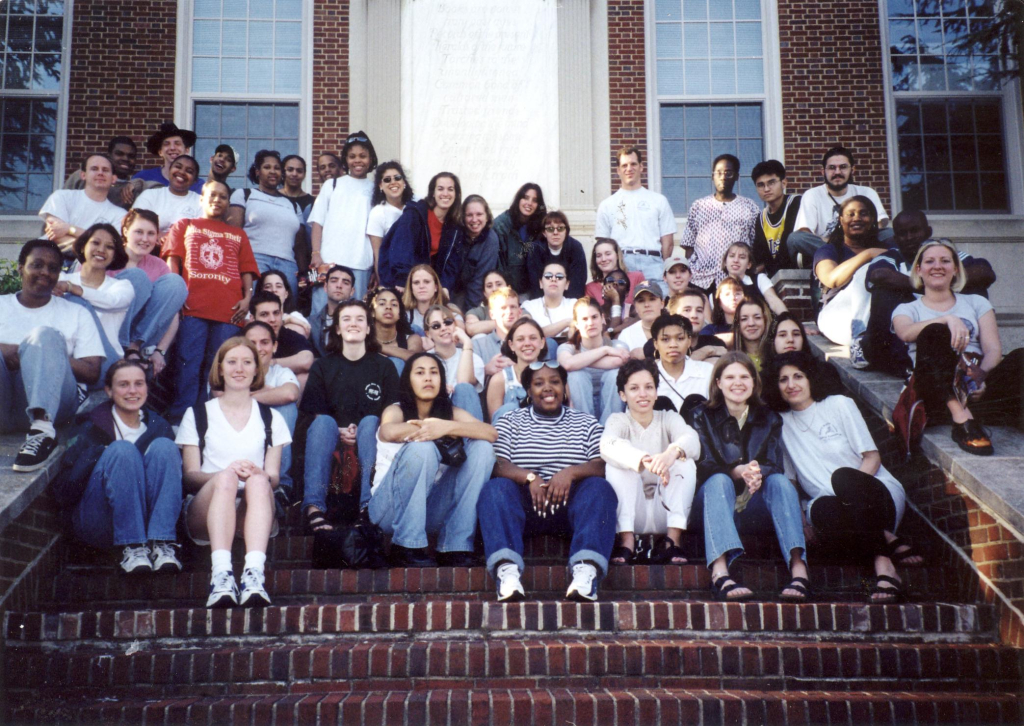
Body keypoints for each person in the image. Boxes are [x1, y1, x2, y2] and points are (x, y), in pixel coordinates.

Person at [770, 351, 917, 602]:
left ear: (810, 378)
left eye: (798, 376)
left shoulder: (839, 404)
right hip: (834, 511)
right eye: (783, 379)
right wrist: (802, 521)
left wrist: (850, 493)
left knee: (844, 480)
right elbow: (791, 480)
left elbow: (872, 458)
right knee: (820, 507)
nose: (791, 385)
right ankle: (886, 538)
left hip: (874, 494)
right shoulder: (780, 424)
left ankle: (885, 567)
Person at [477, 362, 617, 602]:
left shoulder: (586, 423)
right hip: (526, 508)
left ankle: (586, 572)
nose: (548, 388)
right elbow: (497, 464)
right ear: (528, 391)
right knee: (495, 489)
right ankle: (507, 573)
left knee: (600, 488)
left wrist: (570, 473)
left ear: (564, 387)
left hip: (570, 509)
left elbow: (602, 463)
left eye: (554, 381)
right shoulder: (511, 421)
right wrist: (529, 477)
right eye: (538, 383)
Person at [176, 337, 291, 608]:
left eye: (247, 362)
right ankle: (221, 575)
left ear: (255, 370)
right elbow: (190, 475)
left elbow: (274, 478)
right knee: (226, 478)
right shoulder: (197, 414)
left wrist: (255, 473)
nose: (239, 368)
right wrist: (224, 474)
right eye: (232, 362)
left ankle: (254, 575)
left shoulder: (272, 418)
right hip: (206, 508)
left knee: (260, 481)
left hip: (252, 509)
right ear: (221, 368)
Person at [689, 352, 807, 601]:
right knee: (718, 480)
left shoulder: (769, 418)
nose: (738, 382)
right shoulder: (702, 415)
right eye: (730, 377)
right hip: (712, 504)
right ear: (718, 382)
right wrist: (736, 471)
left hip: (752, 506)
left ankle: (799, 569)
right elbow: (703, 465)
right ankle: (720, 572)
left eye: (744, 376)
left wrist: (757, 473)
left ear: (754, 382)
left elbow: (774, 465)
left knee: (780, 482)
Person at [893, 240, 1024, 454]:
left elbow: (993, 350)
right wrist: (947, 319)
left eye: (945, 261)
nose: (937, 266)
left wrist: (978, 378)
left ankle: (979, 411)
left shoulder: (976, 302)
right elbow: (905, 332)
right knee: (935, 333)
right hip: (937, 393)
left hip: (977, 387)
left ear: (955, 269)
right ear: (919, 270)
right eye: (929, 261)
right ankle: (963, 420)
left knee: (1020, 356)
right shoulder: (907, 308)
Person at [55, 359, 183, 574]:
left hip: (149, 521)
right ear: (109, 390)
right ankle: (133, 546)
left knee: (165, 447)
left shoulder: (159, 427)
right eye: (123, 384)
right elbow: (64, 490)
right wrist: (101, 459)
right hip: (100, 518)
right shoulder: (90, 426)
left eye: (139, 384)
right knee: (122, 450)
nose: (132, 391)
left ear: (147, 388)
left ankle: (161, 544)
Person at [370, 352, 497, 567]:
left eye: (434, 372)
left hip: (429, 510)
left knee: (483, 449)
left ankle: (454, 546)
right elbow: (388, 431)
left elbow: (490, 433)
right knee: (424, 448)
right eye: (420, 373)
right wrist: (429, 429)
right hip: (388, 511)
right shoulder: (396, 409)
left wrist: (446, 426)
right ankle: (405, 546)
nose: (428, 378)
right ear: (408, 381)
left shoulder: (450, 412)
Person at [1, 240, 104, 471]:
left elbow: (93, 372)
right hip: (4, 402)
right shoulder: (2, 306)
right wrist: (13, 350)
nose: (45, 273)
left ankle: (42, 432)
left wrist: (44, 354)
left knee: (44, 336)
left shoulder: (76, 313)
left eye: (53, 268)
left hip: (56, 406)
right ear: (20, 268)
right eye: (36, 265)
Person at [162, 180, 259, 422]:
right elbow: (172, 261)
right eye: (212, 195)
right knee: (188, 363)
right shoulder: (185, 225)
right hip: (192, 305)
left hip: (229, 310)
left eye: (223, 197)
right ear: (201, 199)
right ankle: (181, 420)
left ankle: (212, 421)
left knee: (218, 368)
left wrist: (247, 298)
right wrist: (176, 294)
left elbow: (246, 269)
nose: (217, 200)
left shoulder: (238, 234)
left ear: (228, 203)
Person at [300, 300, 399, 531]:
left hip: (371, 443)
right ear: (337, 328)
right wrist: (339, 430)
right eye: (346, 319)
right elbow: (312, 415)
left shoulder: (384, 367)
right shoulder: (322, 366)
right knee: (323, 422)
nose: (353, 324)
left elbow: (393, 412)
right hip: (331, 443)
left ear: (367, 328)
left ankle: (368, 507)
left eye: (359, 319)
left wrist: (365, 430)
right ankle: (314, 507)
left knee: (371, 422)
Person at [863, 210, 995, 374]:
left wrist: (940, 280)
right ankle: (901, 362)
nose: (909, 237)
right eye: (903, 234)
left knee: (977, 287)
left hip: (954, 333)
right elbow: (879, 275)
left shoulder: (944, 253)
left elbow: (985, 272)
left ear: (928, 232)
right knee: (883, 292)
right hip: (908, 335)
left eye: (915, 230)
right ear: (895, 239)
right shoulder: (892, 256)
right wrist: (932, 283)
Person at [601, 359, 700, 565]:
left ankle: (672, 542)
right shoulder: (618, 420)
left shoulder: (668, 418)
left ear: (656, 392)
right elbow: (607, 445)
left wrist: (670, 454)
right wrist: (643, 460)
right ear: (622, 395)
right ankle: (627, 542)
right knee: (617, 463)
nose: (643, 394)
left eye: (649, 387)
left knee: (684, 461)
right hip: (631, 512)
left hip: (664, 508)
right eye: (634, 388)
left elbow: (691, 439)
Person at [113, 210, 188, 375]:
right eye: (139, 232)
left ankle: (133, 347)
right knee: (137, 278)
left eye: (151, 233)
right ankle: (123, 346)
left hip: (142, 338)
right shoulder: (110, 257)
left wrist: (160, 351)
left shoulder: (159, 265)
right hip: (109, 329)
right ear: (125, 231)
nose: (145, 239)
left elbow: (172, 312)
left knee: (176, 283)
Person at [789, 146, 893, 263]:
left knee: (890, 233)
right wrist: (836, 242)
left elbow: (879, 224)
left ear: (852, 170)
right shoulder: (812, 194)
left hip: (862, 243)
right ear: (823, 171)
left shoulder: (867, 192)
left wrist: (855, 241)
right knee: (795, 238)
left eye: (843, 167)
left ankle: (847, 257)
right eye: (832, 168)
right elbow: (804, 231)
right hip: (829, 247)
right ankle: (855, 258)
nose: (837, 172)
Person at [813, 196, 893, 348]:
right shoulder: (828, 250)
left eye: (863, 214)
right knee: (866, 271)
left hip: (878, 316)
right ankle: (859, 341)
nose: (857, 218)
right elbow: (831, 279)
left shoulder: (885, 249)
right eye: (851, 214)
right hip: (838, 318)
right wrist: (868, 255)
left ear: (872, 220)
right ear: (841, 220)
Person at [309, 132, 378, 303]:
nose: (357, 160)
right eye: (352, 156)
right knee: (322, 314)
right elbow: (318, 222)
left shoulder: (376, 189)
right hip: (328, 262)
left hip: (361, 263)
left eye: (363, 156)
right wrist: (316, 253)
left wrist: (377, 268)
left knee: (355, 315)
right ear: (345, 160)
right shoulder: (331, 185)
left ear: (371, 159)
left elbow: (377, 232)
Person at [55, 224, 134, 369]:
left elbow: (111, 301)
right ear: (83, 246)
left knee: (76, 301)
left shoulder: (122, 286)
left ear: (115, 254)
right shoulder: (62, 278)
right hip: (67, 358)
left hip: (106, 361)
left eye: (109, 247)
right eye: (95, 243)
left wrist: (72, 288)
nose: (101, 250)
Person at [595, 146, 676, 285]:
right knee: (623, 306)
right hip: (621, 264)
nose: (629, 168)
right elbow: (602, 244)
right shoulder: (607, 205)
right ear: (618, 170)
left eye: (633, 164)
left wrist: (662, 266)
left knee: (657, 305)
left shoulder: (658, 200)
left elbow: (667, 241)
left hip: (653, 263)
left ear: (641, 167)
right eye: (624, 165)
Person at [681, 154, 760, 292]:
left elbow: (755, 246)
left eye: (728, 173)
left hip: (735, 280)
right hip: (701, 279)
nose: (723, 177)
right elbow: (689, 246)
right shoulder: (699, 206)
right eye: (719, 173)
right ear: (712, 176)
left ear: (736, 176)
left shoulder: (750, 207)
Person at [226, 150, 305, 287]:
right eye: (267, 167)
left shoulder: (294, 205)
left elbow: (300, 247)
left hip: (288, 265)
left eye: (277, 168)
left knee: (285, 307)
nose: (273, 171)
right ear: (257, 172)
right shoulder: (244, 194)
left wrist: (305, 275)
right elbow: (233, 236)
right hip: (254, 260)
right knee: (252, 306)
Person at [242, 321, 300, 507]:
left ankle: (280, 483)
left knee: (287, 408)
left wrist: (246, 395)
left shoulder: (280, 372)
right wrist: (268, 394)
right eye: (252, 343)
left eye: (265, 342)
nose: (258, 348)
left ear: (274, 346)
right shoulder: (233, 369)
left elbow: (290, 393)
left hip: (269, 436)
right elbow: (219, 395)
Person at [378, 172, 464, 295]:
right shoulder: (415, 214)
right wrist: (402, 279)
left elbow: (452, 262)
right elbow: (402, 249)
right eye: (440, 189)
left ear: (456, 194)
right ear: (433, 193)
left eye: (450, 189)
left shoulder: (454, 226)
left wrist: (445, 286)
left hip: (428, 285)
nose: (445, 194)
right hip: (403, 281)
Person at [557, 298, 629, 424]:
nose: (590, 323)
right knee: (576, 375)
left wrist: (578, 361)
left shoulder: (617, 346)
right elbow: (567, 364)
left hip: (612, 405)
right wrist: (605, 350)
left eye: (594, 317)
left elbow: (618, 361)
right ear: (577, 324)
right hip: (580, 407)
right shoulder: (567, 347)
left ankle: (609, 430)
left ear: (602, 318)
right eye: (584, 319)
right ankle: (584, 429)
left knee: (615, 374)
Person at [40, 153, 127, 252]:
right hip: (49, 255)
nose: (100, 173)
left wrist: (70, 229)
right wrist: (95, 245)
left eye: (105, 170)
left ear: (113, 179)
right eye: (94, 169)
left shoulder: (120, 215)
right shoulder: (62, 196)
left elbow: (111, 246)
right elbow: (54, 234)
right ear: (83, 175)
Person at [423, 304, 485, 420]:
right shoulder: (423, 360)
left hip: (466, 423)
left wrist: (467, 342)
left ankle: (473, 438)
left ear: (455, 325)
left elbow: (463, 384)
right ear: (428, 333)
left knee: (464, 388)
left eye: (448, 322)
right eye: (436, 326)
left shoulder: (473, 358)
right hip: (435, 420)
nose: (443, 327)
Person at [760, 312, 844, 397]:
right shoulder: (763, 380)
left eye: (796, 334)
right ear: (772, 341)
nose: (790, 340)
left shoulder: (825, 371)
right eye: (782, 335)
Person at [486, 317, 547, 423]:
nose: (527, 343)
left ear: (542, 342)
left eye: (533, 338)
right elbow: (496, 425)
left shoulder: (556, 375)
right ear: (511, 345)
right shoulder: (499, 380)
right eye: (520, 339)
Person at [249, 291, 314, 388]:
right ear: (252, 319)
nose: (272, 319)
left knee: (304, 377)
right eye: (264, 314)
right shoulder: (242, 338)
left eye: (276, 313)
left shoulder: (288, 334)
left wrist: (269, 363)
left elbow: (307, 360)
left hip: (283, 392)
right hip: (248, 394)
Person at [650, 314, 714, 412]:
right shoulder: (646, 376)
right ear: (655, 344)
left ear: (689, 341)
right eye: (665, 339)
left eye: (680, 338)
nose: (673, 345)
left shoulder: (708, 372)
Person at [493, 183, 548, 296]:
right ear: (519, 199)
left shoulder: (540, 225)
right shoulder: (501, 225)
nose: (529, 203)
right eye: (526, 198)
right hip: (507, 291)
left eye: (534, 200)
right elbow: (498, 263)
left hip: (532, 291)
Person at [750, 160, 802, 277]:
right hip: (776, 276)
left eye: (771, 182)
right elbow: (761, 256)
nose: (766, 189)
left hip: (798, 273)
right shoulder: (761, 218)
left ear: (784, 183)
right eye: (761, 185)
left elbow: (787, 244)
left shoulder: (796, 203)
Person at [132, 155, 203, 240]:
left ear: (195, 180)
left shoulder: (201, 202)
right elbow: (134, 222)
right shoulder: (150, 195)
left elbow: (202, 232)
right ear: (169, 171)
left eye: (189, 171)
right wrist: (156, 234)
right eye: (178, 166)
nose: (182, 172)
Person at [367, 161, 413, 287]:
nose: (393, 182)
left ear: (404, 182)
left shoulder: (414, 208)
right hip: (392, 278)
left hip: (415, 275)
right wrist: (383, 286)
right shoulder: (378, 213)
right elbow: (378, 255)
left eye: (397, 178)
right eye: (387, 179)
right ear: (380, 186)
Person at [63, 136, 143, 209]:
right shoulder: (84, 176)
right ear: (109, 156)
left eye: (131, 156)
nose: (125, 159)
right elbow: (63, 201)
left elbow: (154, 187)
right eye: (119, 154)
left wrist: (137, 183)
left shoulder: (133, 190)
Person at [526, 211, 587, 299]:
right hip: (542, 299)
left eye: (560, 228)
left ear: (566, 231)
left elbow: (578, 283)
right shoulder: (535, 249)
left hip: (569, 300)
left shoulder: (576, 247)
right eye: (550, 229)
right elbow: (535, 284)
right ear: (544, 233)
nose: (555, 232)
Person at [455, 195, 500, 311]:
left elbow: (479, 281)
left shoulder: (491, 239)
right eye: (469, 215)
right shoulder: (456, 233)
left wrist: (470, 313)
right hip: (451, 290)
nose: (474, 220)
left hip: (473, 295)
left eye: (479, 214)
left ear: (487, 216)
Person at [133, 122, 205, 193]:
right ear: (160, 152)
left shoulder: (198, 186)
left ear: (186, 150)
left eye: (177, 143)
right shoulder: (143, 177)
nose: (172, 148)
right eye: (166, 144)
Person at [720, 241, 787, 315]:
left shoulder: (759, 279)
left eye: (742, 257)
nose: (736, 260)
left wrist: (786, 318)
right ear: (725, 262)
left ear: (749, 264)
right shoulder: (720, 289)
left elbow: (774, 301)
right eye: (732, 256)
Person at [368, 286, 423, 374]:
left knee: (397, 363)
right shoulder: (364, 336)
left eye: (394, 304)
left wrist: (377, 346)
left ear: (399, 314)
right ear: (372, 312)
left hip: (401, 385)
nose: (388, 307)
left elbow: (415, 358)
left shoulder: (411, 338)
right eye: (382, 304)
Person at [473, 285, 523, 376]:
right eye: (503, 308)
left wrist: (518, 367)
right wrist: (486, 370)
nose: (509, 311)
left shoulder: (529, 342)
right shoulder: (478, 345)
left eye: (513, 307)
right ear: (492, 314)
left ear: (520, 312)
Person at [666, 288, 726, 363]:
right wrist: (706, 351)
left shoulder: (714, 342)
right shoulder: (661, 344)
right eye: (687, 310)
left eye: (699, 310)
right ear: (672, 314)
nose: (694, 315)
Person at [521, 261, 576, 342]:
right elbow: (528, 333)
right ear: (541, 283)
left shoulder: (575, 305)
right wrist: (567, 322)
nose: (553, 279)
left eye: (559, 277)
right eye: (548, 276)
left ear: (567, 284)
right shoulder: (529, 306)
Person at [308, 265, 355, 358]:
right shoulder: (311, 322)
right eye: (334, 281)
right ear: (325, 287)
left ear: (352, 291)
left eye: (345, 283)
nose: (339, 285)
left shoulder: (359, 321)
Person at [402, 264, 464, 333]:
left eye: (427, 282)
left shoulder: (452, 314)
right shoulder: (403, 316)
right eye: (416, 282)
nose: (421, 286)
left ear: (436, 287)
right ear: (411, 288)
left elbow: (459, 338)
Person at [259, 269, 311, 338]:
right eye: (268, 287)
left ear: (286, 294)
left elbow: (301, 332)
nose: (274, 290)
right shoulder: (251, 314)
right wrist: (287, 320)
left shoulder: (296, 316)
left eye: (279, 286)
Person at [616, 281, 664, 355]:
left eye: (652, 299)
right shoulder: (626, 335)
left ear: (662, 303)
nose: (647, 305)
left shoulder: (674, 328)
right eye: (641, 301)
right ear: (635, 307)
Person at [730, 298, 771, 371]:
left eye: (757, 317)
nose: (751, 323)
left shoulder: (776, 354)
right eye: (744, 319)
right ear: (738, 324)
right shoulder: (730, 358)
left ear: (765, 321)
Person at [464, 270, 508, 337]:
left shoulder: (519, 308)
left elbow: (525, 322)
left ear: (508, 287)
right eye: (489, 286)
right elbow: (471, 329)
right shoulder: (475, 312)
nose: (494, 289)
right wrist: (508, 323)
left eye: (499, 284)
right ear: (484, 293)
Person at [701, 277, 745, 343]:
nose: (733, 298)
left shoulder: (751, 326)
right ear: (719, 301)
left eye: (737, 294)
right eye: (727, 294)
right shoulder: (711, 329)